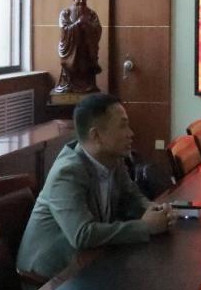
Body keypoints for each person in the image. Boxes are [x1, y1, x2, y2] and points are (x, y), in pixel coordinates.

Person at [17, 94, 175, 279]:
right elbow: (82, 234)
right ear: (96, 136)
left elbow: (132, 196)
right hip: (49, 279)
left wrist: (155, 210)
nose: (131, 133)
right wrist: (145, 227)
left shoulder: (114, 160)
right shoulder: (67, 173)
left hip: (88, 262)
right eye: (123, 126)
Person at [55, 0, 102, 93]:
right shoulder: (66, 13)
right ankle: (68, 85)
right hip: (71, 48)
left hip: (86, 48)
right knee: (70, 66)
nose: (81, 1)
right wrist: (78, 23)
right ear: (73, 0)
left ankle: (88, 86)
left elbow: (97, 28)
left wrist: (88, 26)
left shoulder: (91, 14)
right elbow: (64, 29)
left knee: (86, 68)